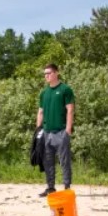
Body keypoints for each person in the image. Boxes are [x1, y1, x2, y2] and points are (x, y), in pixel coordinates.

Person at [36, 63, 75, 197]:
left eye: (49, 73)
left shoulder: (65, 89)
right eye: (45, 74)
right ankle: (50, 187)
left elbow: (70, 109)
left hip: (61, 131)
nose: (46, 76)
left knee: (64, 161)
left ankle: (67, 187)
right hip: (47, 132)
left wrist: (68, 129)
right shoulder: (44, 93)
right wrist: (37, 131)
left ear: (56, 73)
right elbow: (40, 112)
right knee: (48, 161)